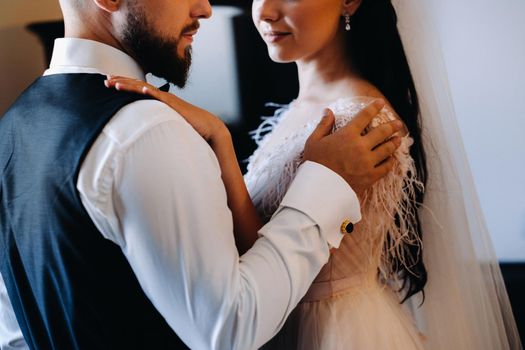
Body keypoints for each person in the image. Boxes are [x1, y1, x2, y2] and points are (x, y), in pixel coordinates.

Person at [105, 0, 522, 349]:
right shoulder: (308, 108)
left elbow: (294, 277)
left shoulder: (358, 122)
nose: (265, 12)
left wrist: (221, 144)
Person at [0, 0, 407, 349]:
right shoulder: (143, 130)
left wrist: (222, 145)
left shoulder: (15, 126)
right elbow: (229, 329)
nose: (206, 8)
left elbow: (13, 329)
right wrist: (323, 183)